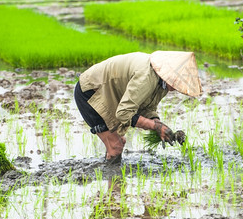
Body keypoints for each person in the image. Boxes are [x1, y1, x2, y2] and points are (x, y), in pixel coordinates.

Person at [74, 50, 202, 164]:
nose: (178, 88)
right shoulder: (146, 77)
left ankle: (112, 180)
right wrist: (155, 127)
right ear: (171, 75)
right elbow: (124, 113)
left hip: (111, 96)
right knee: (116, 146)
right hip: (91, 92)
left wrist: (160, 126)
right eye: (178, 83)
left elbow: (147, 108)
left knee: (119, 143)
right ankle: (113, 183)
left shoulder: (162, 83)